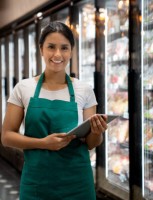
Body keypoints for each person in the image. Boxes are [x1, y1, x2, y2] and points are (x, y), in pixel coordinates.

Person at [1, 21, 108, 200]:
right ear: (41, 49)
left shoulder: (84, 90)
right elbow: (6, 137)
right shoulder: (23, 88)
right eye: (51, 47)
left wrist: (97, 132)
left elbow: (91, 143)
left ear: (71, 51)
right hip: (37, 183)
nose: (57, 54)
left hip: (77, 183)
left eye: (64, 48)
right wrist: (44, 143)